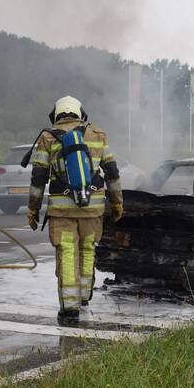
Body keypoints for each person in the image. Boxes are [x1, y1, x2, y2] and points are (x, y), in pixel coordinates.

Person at [28, 96, 122, 320]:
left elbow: (38, 176)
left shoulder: (47, 137)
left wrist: (33, 208)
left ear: (56, 114)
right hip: (93, 208)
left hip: (62, 210)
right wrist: (117, 202)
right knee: (88, 249)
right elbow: (112, 172)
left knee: (68, 251)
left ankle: (69, 309)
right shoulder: (98, 135)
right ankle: (84, 297)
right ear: (81, 113)